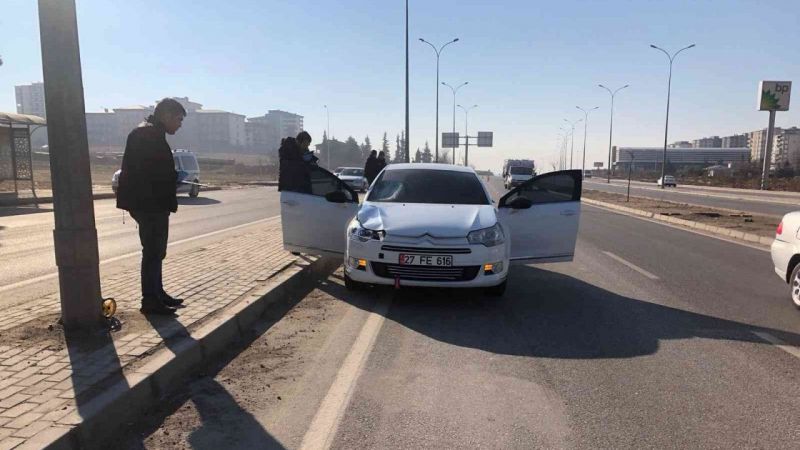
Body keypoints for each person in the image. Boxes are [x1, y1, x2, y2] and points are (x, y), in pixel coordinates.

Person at [116, 98, 186, 315]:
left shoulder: (151, 133)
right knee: (153, 252)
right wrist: (173, 177)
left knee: (157, 251)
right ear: (165, 115)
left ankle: (158, 293)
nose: (179, 124)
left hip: (152, 202)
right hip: (149, 203)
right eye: (178, 119)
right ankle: (150, 300)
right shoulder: (146, 135)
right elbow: (148, 173)